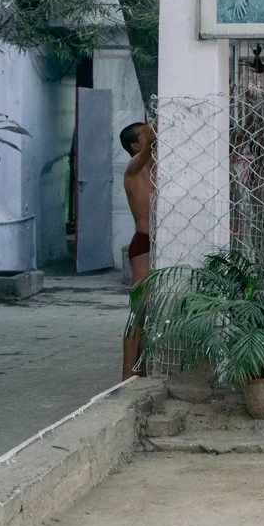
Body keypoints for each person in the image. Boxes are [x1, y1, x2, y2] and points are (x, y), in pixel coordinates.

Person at [120, 119, 155, 379]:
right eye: (145, 133)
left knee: (152, 313)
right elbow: (146, 154)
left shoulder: (158, 168)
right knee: (138, 312)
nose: (151, 134)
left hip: (160, 243)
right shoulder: (133, 169)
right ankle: (126, 377)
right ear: (135, 145)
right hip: (143, 244)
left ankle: (140, 370)